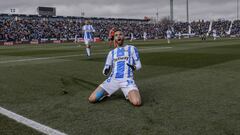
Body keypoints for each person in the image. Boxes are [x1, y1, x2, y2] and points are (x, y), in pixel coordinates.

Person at [88, 30, 142, 106]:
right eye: (116, 35)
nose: (118, 36)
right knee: (92, 99)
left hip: (127, 81)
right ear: (114, 39)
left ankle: (129, 93)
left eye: (120, 34)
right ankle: (105, 93)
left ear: (124, 36)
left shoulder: (132, 49)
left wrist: (134, 67)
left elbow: (139, 65)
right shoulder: (111, 53)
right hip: (113, 80)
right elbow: (105, 70)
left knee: (137, 102)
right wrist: (106, 71)